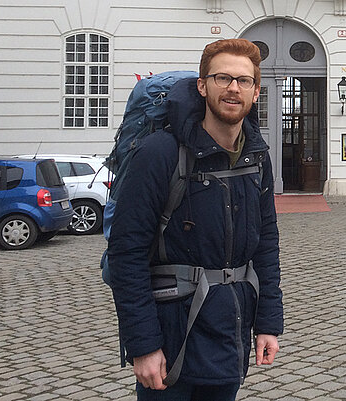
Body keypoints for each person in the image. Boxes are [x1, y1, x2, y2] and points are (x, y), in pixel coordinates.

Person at [107, 38, 283, 400]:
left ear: (255, 92)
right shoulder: (160, 155)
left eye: (244, 81)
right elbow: (127, 253)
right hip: (171, 340)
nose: (233, 88)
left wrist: (268, 323)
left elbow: (266, 244)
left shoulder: (257, 158)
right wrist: (143, 346)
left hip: (230, 332)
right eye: (222, 78)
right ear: (203, 86)